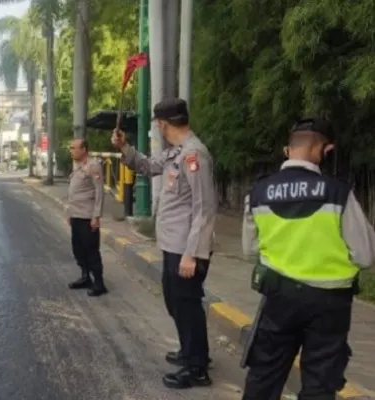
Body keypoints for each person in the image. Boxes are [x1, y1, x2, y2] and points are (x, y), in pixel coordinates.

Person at [240, 117, 375, 400]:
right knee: (319, 384)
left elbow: (250, 250)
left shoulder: (259, 192)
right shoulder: (339, 192)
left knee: (264, 377)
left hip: (279, 299)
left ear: (288, 150)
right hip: (329, 304)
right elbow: (364, 255)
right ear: (323, 150)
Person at [111, 98, 217, 389]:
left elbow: (204, 207)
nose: (157, 126)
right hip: (174, 246)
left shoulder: (195, 156)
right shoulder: (176, 154)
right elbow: (145, 165)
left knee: (187, 305)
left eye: (157, 122)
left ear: (162, 124)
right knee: (176, 302)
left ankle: (197, 368)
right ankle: (192, 351)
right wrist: (124, 147)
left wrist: (193, 254)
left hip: (186, 249)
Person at [66, 138, 107, 296]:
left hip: (87, 216)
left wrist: (96, 216)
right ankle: (85, 277)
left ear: (84, 150)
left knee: (91, 250)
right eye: (71, 148)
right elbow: (73, 192)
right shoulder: (77, 167)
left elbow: (99, 192)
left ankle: (99, 282)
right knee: (78, 249)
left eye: (74, 148)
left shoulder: (93, 166)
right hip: (76, 215)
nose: (71, 150)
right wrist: (69, 213)